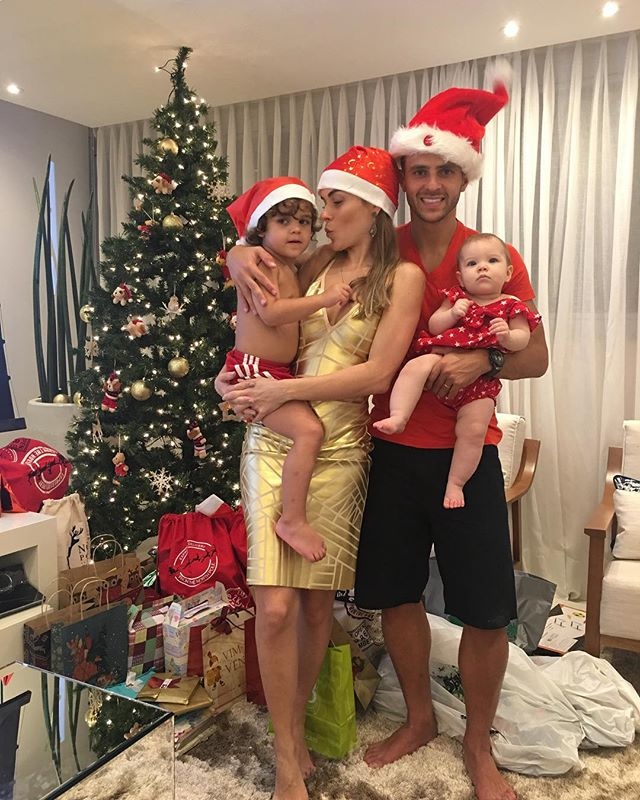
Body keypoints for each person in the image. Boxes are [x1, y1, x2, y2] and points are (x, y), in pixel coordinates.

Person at [223, 73, 548, 800]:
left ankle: (478, 745)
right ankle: (420, 720)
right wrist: (236, 253)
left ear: (462, 177)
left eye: (444, 171)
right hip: (387, 453)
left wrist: (485, 360)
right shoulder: (368, 247)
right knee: (397, 597)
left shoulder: (489, 253)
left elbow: (537, 355)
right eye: (418, 171)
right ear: (399, 182)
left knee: (486, 609)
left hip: (464, 454)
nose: (431, 184)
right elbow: (273, 257)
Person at [216, 146, 424, 800]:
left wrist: (284, 391)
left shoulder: (403, 278)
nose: (322, 215)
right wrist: (234, 254)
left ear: (373, 208)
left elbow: (378, 375)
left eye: (334, 203)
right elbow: (254, 286)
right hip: (271, 439)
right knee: (274, 607)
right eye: (320, 205)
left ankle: (296, 729)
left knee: (312, 609)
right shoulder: (311, 263)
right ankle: (284, 754)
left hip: (340, 455)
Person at [225, 177, 352, 563]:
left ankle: (292, 516)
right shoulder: (266, 263)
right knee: (309, 431)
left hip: (272, 371)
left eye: (303, 222)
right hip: (257, 370)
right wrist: (325, 299)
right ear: (261, 229)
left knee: (309, 431)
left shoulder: (289, 265)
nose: (296, 230)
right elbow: (272, 312)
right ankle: (292, 520)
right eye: (283, 222)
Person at [374, 232, 541, 509]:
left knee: (473, 431)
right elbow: (435, 325)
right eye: (473, 264)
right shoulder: (456, 297)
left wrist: (506, 338)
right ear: (461, 277)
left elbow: (524, 340)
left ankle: (456, 483)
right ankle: (399, 416)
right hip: (441, 354)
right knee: (415, 367)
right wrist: (452, 313)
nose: (483, 267)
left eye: (492, 261)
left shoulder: (511, 305)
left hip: (480, 386)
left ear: (508, 272)